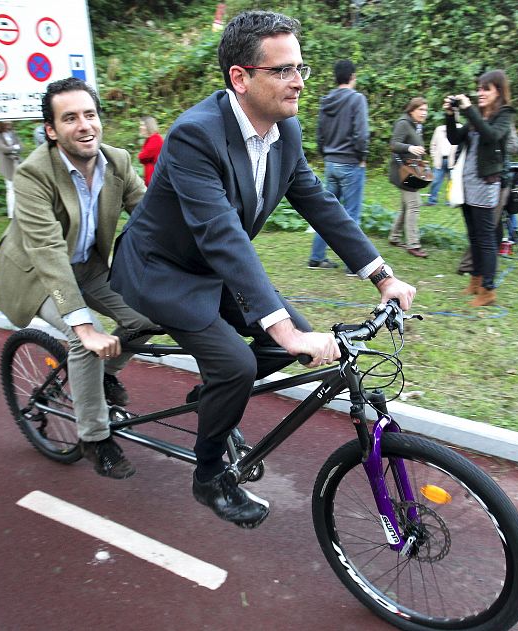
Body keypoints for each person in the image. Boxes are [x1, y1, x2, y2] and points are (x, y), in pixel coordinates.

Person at [110, 10, 416, 528]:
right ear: (240, 77)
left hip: (213, 267)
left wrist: (382, 275)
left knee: (272, 346)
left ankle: (211, 401)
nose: (298, 81)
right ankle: (209, 478)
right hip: (162, 270)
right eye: (283, 70)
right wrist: (284, 325)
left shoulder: (284, 132)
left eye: (301, 68)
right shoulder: (194, 136)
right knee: (238, 364)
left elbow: (322, 205)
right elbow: (221, 235)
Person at [0, 77, 157, 480]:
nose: (84, 125)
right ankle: (94, 438)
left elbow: (153, 217)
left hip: (89, 268)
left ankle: (103, 379)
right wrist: (83, 325)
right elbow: (48, 252)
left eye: (90, 115)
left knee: (148, 315)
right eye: (70, 118)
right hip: (38, 275)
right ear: (51, 130)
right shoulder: (34, 174)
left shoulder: (116, 161)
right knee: (85, 339)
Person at [445, 70, 514, 306]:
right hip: (467, 184)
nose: (480, 93)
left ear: (499, 91)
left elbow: (491, 136)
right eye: (479, 88)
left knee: (486, 239)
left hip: (486, 185)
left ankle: (489, 290)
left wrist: (468, 110)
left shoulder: (504, 114)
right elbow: (454, 138)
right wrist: (450, 114)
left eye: (486, 89)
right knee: (474, 236)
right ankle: (475, 282)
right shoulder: (477, 117)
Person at [307, 59, 369, 271]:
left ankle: (316, 257)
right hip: (351, 163)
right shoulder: (357, 99)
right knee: (351, 214)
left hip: (331, 162)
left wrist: (326, 153)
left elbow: (320, 133)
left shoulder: (327, 100)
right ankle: (354, 265)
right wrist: (362, 156)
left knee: (326, 213)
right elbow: (361, 133)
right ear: (352, 76)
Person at [456, 122, 518, 273]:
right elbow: (460, 144)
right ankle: (469, 265)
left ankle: (484, 265)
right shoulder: (477, 122)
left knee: (494, 226)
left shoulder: (502, 120)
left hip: (499, 180)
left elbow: (514, 145)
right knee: (485, 228)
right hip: (485, 182)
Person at [387, 97, 429, 258]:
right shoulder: (403, 123)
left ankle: (394, 237)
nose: (424, 113)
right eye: (421, 110)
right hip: (404, 172)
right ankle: (413, 244)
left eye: (426, 110)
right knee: (414, 205)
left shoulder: (416, 125)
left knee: (407, 206)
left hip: (412, 171)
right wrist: (411, 147)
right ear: (412, 110)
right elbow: (394, 144)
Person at [0, 121, 23, 218]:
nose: (9, 123)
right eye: (6, 122)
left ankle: (20, 211)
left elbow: (21, 147)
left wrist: (13, 148)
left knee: (20, 187)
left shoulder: (13, 133)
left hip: (17, 162)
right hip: (7, 165)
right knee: (10, 188)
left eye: (10, 122)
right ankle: (11, 214)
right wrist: (14, 147)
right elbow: (3, 148)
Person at [425, 123, 459, 206]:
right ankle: (432, 201)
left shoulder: (460, 128)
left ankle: (450, 201)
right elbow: (433, 144)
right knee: (435, 181)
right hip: (440, 160)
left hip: (453, 161)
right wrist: (434, 156)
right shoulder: (439, 129)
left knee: (452, 182)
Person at [137, 115, 163, 186]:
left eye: (142, 125)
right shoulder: (150, 139)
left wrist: (140, 155)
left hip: (155, 179)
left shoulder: (156, 139)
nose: (140, 127)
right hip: (151, 178)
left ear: (149, 126)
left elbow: (142, 157)